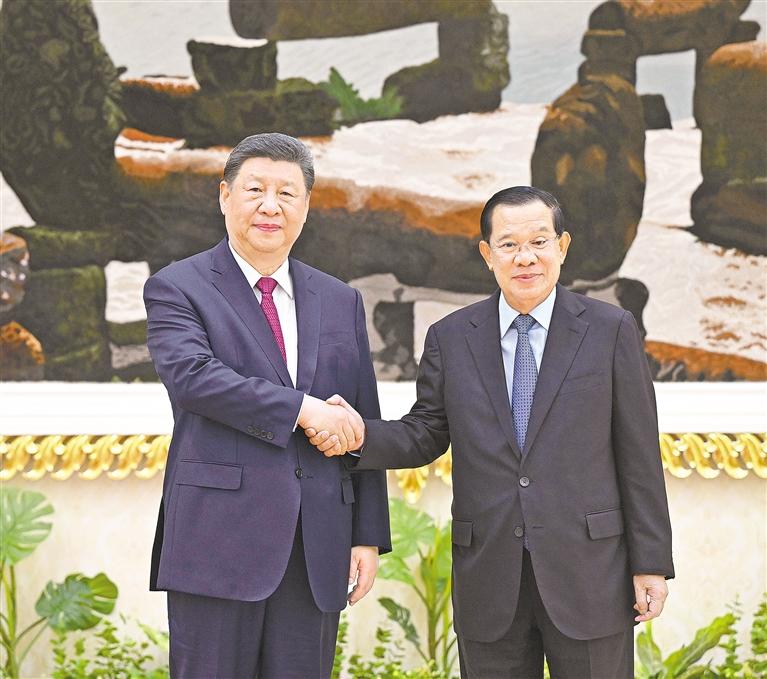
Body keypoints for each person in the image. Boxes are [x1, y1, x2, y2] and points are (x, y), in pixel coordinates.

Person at [307, 186, 674, 679]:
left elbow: (639, 455)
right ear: (487, 254)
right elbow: (425, 432)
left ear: (562, 247)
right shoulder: (451, 337)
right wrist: (357, 436)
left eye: (539, 242)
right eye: (509, 245)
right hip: (490, 574)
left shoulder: (610, 330)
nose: (525, 257)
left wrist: (651, 562)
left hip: (590, 572)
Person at [144, 132, 390, 679]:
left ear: (306, 205)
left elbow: (360, 417)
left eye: (287, 193)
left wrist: (367, 534)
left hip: (317, 542)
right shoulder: (177, 287)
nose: (270, 206)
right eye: (255, 190)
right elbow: (194, 378)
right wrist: (305, 410)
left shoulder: (340, 299)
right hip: (216, 541)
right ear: (225, 195)